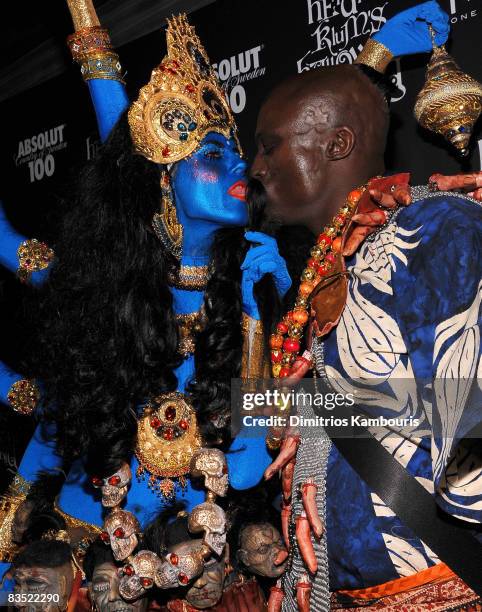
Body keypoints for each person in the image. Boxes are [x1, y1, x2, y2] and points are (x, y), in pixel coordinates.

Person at [252, 18, 482, 612]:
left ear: (338, 144)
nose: (255, 167)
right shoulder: (324, 280)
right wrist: (252, 325)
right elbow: (270, 418)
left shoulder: (438, 228)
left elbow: (467, 408)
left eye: (268, 145)